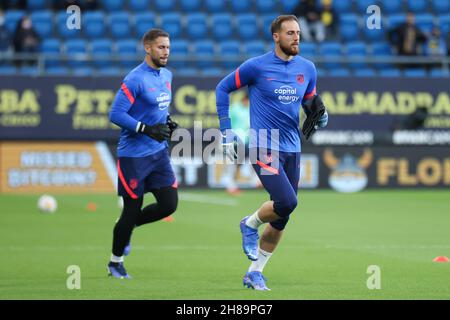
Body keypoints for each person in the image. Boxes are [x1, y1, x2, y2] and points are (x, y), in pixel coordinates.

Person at [216, 15, 328, 291]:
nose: (296, 37)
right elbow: (223, 88)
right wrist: (226, 131)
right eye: (290, 33)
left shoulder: (308, 68)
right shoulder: (257, 66)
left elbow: (309, 101)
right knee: (287, 201)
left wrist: (321, 115)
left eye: (298, 32)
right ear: (276, 37)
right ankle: (249, 223)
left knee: (282, 217)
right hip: (263, 143)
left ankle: (255, 272)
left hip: (292, 146)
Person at [108, 28, 179, 279]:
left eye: (168, 47)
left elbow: (158, 108)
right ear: (147, 48)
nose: (166, 51)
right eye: (161, 47)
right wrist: (146, 129)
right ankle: (115, 262)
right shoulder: (135, 79)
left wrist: (168, 121)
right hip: (134, 156)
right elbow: (115, 114)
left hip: (158, 154)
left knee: (169, 205)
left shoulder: (167, 75)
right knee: (131, 207)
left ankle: (129, 227)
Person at [223, 91, 250, 195]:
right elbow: (227, 122)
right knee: (233, 163)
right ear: (244, 99)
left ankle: (233, 184)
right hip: (234, 140)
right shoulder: (235, 109)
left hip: (246, 141)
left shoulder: (249, 110)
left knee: (240, 163)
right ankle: (230, 185)